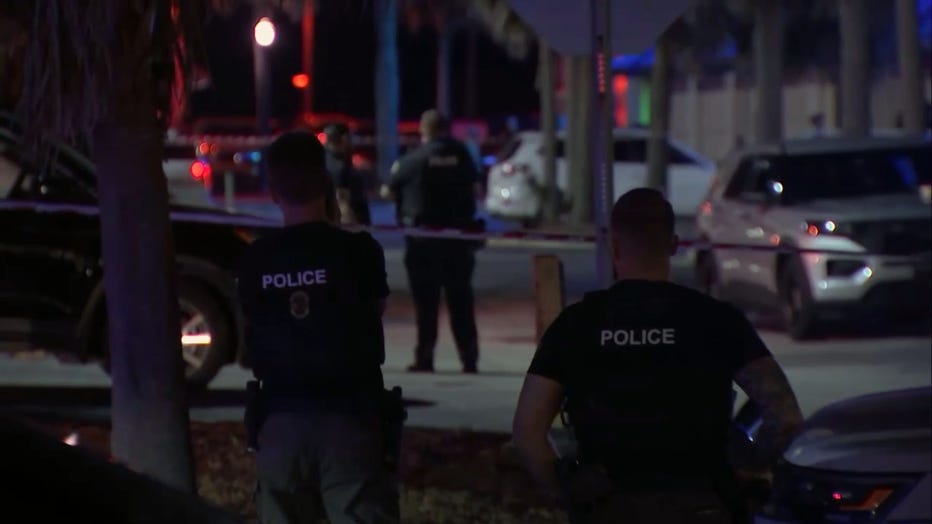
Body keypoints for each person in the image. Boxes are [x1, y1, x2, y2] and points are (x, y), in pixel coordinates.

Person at [512, 188, 804, 524]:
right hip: (704, 502)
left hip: (610, 505)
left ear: (614, 246)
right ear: (673, 245)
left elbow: (527, 431)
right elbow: (786, 418)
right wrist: (743, 471)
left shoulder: (577, 325)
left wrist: (573, 494)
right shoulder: (716, 319)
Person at [236, 131, 400, 524]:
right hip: (350, 421)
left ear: (273, 191)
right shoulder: (360, 252)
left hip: (280, 423)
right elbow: (373, 311)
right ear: (326, 183)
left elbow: (252, 326)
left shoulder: (256, 259)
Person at [380, 109, 481, 374]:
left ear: (423, 130)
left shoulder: (413, 159)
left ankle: (425, 358)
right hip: (458, 241)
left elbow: (388, 190)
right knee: (461, 301)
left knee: (426, 304)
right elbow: (475, 188)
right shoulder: (462, 155)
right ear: (445, 128)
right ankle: (469, 359)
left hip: (423, 243)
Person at [324, 123, 371, 225]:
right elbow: (342, 201)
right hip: (349, 224)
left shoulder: (325, 161)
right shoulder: (338, 167)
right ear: (344, 138)